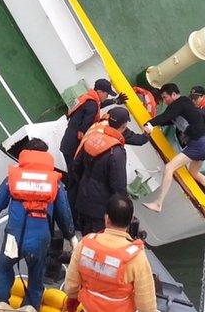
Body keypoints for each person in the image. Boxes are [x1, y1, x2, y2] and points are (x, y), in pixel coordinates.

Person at [0, 138, 77, 311]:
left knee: (4, 269)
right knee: (36, 277)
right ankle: (30, 307)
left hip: (13, 236)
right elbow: (64, 214)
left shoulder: (12, 177)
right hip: (40, 239)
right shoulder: (55, 182)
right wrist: (71, 236)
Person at [64, 195, 157, 312]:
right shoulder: (136, 257)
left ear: (106, 218)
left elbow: (71, 286)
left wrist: (72, 300)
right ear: (131, 219)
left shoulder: (85, 244)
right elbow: (147, 306)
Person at [142, 83, 205, 213]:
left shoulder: (180, 103)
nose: (164, 101)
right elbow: (167, 119)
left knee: (170, 167)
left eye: (165, 97)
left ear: (174, 94)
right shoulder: (183, 106)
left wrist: (148, 123)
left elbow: (166, 116)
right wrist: (155, 123)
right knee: (194, 172)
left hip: (199, 143)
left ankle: (158, 203)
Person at [70, 107, 131, 236]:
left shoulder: (93, 137)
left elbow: (76, 165)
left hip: (83, 198)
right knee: (97, 241)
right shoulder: (116, 151)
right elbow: (119, 186)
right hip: (100, 208)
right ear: (124, 126)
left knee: (85, 235)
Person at [60, 79, 128, 173]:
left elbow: (98, 104)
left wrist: (114, 101)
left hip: (67, 140)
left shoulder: (88, 98)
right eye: (106, 93)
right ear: (100, 91)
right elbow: (86, 128)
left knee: (72, 170)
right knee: (74, 173)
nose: (107, 96)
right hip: (72, 146)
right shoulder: (92, 105)